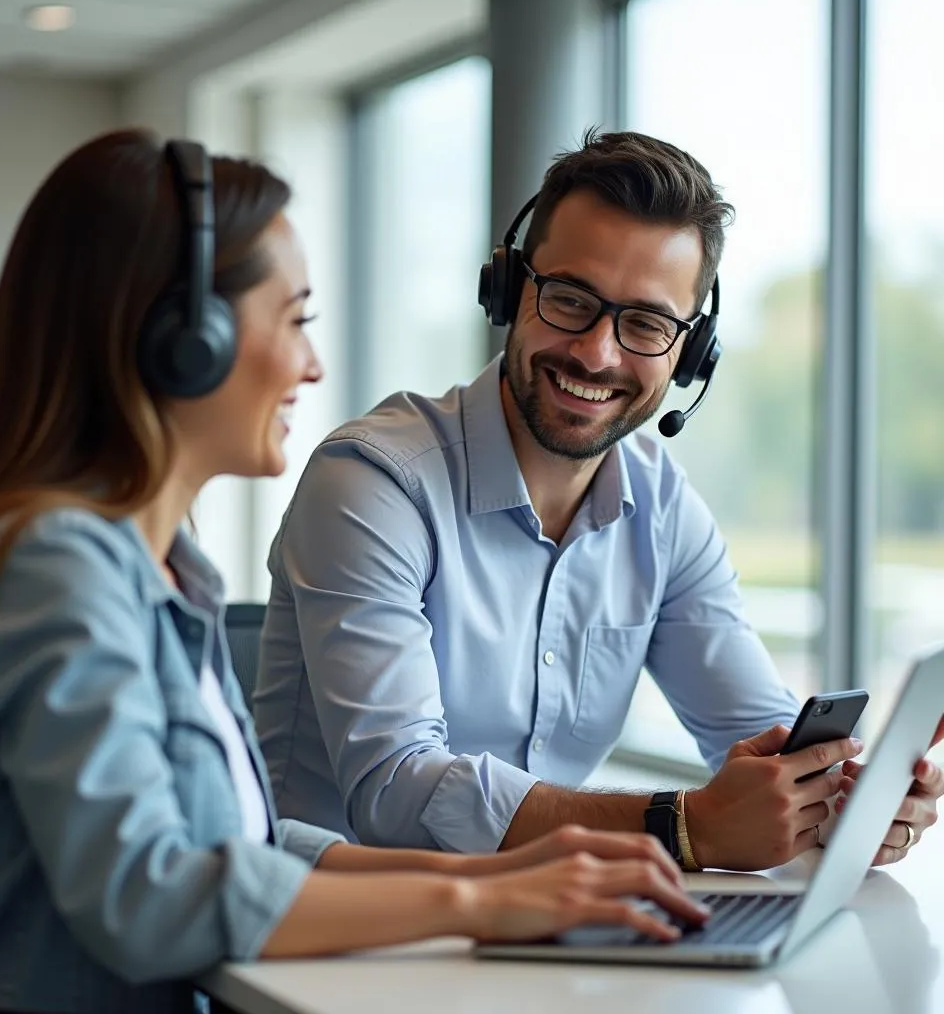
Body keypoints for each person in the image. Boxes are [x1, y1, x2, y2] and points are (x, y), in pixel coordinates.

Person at [0, 130, 711, 1014]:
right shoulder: (52, 568)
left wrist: (529, 872)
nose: (312, 364)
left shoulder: (167, 570)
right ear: (187, 342)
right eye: (293, 320)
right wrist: (481, 899)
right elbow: (145, 896)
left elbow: (242, 848)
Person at [255, 128, 944, 872]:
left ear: (691, 350)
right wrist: (680, 827)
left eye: (646, 323)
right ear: (511, 288)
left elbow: (757, 726)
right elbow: (394, 789)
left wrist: (838, 799)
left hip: (540, 927)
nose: (597, 353)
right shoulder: (372, 482)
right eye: (570, 299)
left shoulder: (663, 508)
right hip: (325, 943)